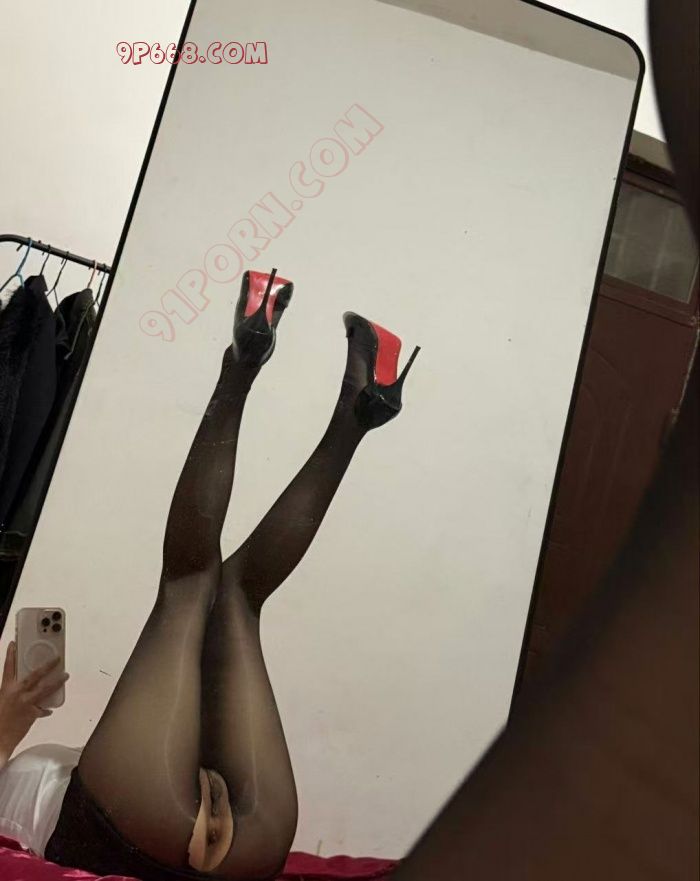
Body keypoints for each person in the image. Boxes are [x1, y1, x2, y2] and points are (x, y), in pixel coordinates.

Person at [0, 269, 419, 881]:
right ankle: (254, 369)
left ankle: (355, 416)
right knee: (192, 588)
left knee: (238, 598)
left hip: (250, 844)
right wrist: (8, 722)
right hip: (134, 821)